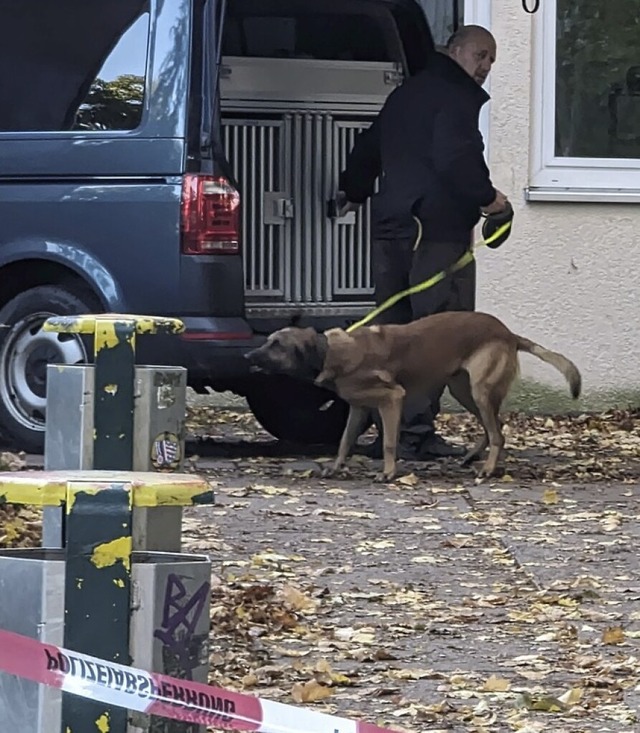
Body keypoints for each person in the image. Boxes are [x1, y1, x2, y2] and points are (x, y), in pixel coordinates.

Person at [337, 25, 509, 461]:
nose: (486, 66)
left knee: (389, 333)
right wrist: (489, 199)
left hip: (392, 225)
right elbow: (456, 157)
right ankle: (414, 434)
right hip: (434, 232)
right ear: (454, 51)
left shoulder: (406, 94)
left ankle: (389, 435)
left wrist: (353, 191)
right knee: (436, 336)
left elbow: (369, 147)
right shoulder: (455, 98)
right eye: (480, 55)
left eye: (492, 60)